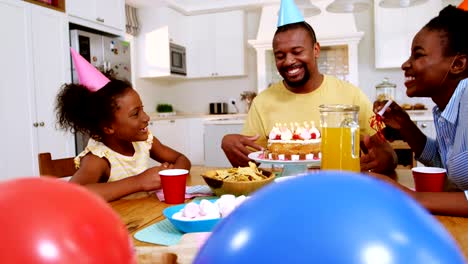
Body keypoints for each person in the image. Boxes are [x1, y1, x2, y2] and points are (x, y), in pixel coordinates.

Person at [221, 20, 397, 173]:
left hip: (340, 190)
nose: (289, 61)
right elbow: (251, 165)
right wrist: (230, 145)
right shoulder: (262, 102)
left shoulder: (351, 95)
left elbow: (387, 154)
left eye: (297, 52)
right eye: (280, 56)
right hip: (286, 193)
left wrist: (385, 158)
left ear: (316, 50)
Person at [55, 49, 191, 202]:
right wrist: (139, 182)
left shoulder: (144, 142)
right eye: (135, 113)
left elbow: (181, 158)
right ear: (108, 127)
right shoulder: (98, 158)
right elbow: (72, 195)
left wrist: (171, 176)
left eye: (142, 109)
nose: (146, 117)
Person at [371, 5, 468, 216]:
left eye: (418, 54)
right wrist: (406, 125)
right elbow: (443, 163)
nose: (406, 64)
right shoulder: (445, 108)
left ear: (458, 63)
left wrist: (407, 195)